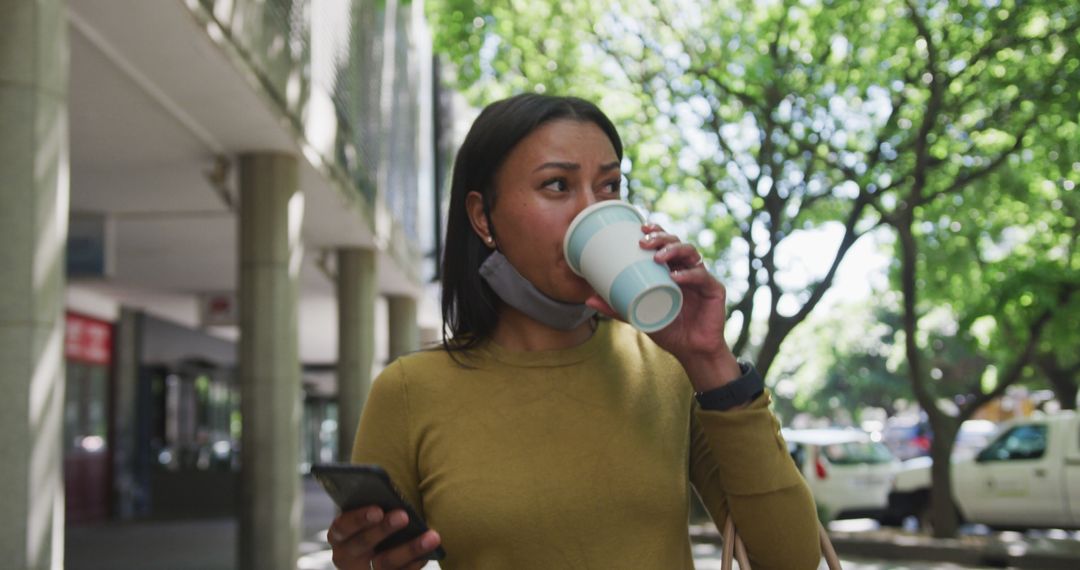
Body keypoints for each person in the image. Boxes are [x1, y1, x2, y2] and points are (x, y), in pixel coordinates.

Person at [326, 94, 821, 569]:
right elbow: (375, 555)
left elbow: (790, 559)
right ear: (483, 218)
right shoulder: (410, 391)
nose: (590, 209)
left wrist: (711, 358)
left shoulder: (666, 367)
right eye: (558, 185)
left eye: (608, 187)